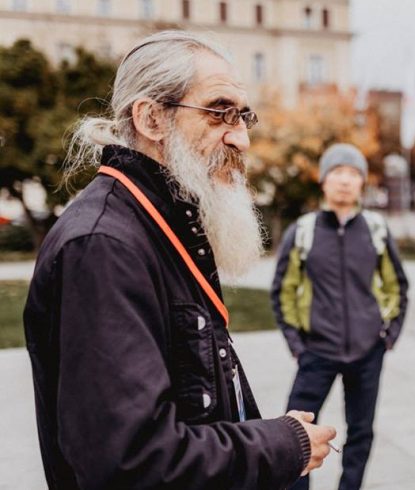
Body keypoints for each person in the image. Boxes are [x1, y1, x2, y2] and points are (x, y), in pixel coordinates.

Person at [23, 31, 336, 489]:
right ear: (151, 118)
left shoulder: (158, 221)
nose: (242, 138)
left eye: (244, 116)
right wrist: (284, 445)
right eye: (219, 112)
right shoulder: (102, 245)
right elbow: (132, 461)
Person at [271, 143, 409, 490]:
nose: (345, 181)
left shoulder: (376, 229)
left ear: (362, 182)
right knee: (297, 431)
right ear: (323, 181)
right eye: (337, 173)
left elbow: (397, 286)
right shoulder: (303, 231)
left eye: (352, 174)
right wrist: (297, 343)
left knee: (361, 431)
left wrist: (388, 336)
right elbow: (283, 290)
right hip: (316, 351)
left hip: (367, 351)